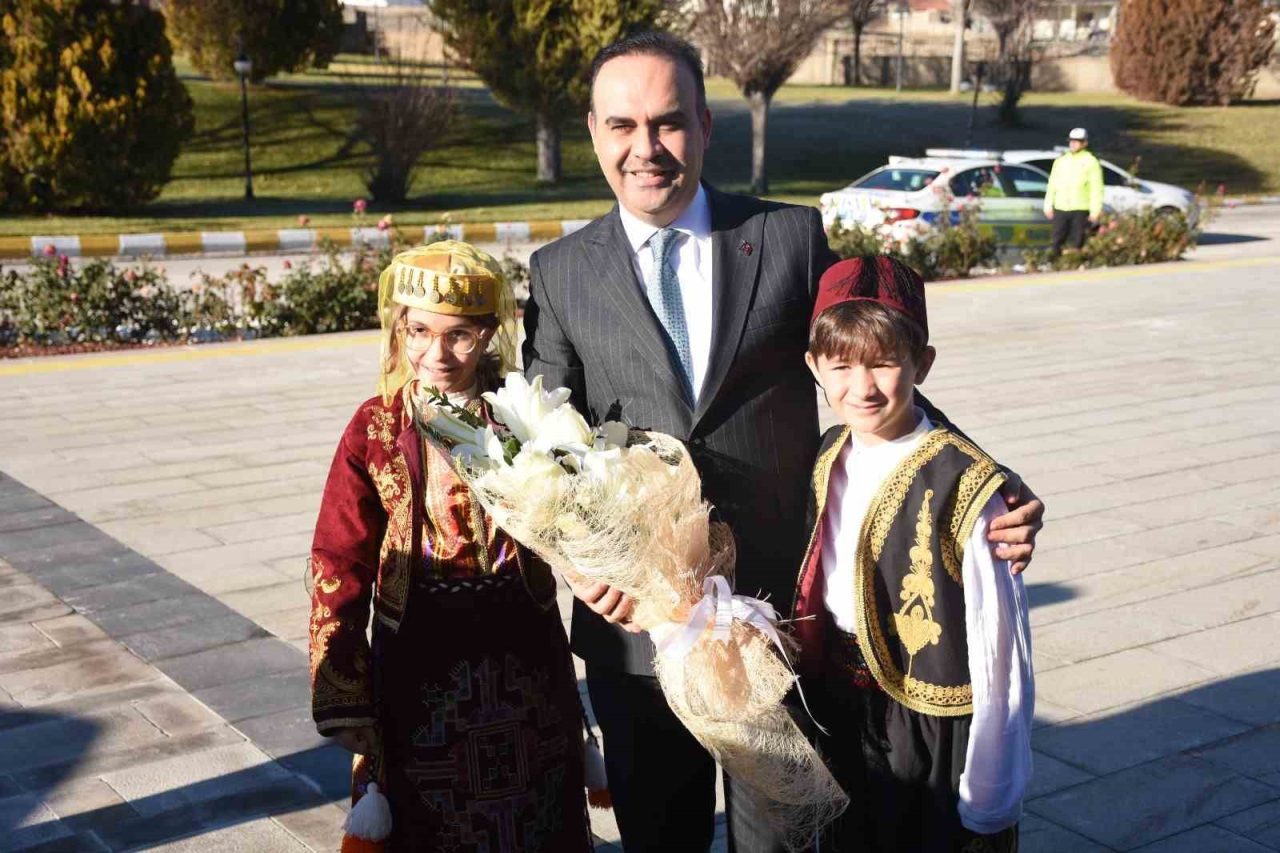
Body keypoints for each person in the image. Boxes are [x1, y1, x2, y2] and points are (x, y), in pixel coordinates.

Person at [521, 31, 1044, 853]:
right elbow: (545, 448)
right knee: (660, 840)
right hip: (639, 634)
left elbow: (873, 365)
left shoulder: (789, 238)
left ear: (705, 125)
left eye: (668, 122)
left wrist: (980, 484)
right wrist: (581, 568)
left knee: (784, 841)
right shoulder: (560, 273)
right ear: (594, 132)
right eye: (622, 125)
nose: (645, 147)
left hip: (780, 619)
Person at [308, 241, 591, 852]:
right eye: (418, 332)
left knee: (536, 811)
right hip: (419, 654)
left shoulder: (525, 416)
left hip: (523, 649)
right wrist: (341, 682)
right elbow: (340, 555)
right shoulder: (376, 426)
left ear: (489, 332)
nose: (436, 355)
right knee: (430, 818)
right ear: (398, 328)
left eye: (459, 335)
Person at [792, 256, 1033, 853]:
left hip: (927, 723)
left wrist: (990, 797)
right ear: (814, 367)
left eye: (884, 363)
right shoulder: (829, 451)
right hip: (840, 703)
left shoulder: (966, 485)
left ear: (922, 364)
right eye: (841, 366)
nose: (862, 388)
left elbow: (1001, 647)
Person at [1044, 127, 1104, 257]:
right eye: (1071, 141)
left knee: (1077, 243)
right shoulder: (1061, 161)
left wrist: (1095, 211)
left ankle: (1075, 264)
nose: (1073, 144)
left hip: (1080, 209)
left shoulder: (1091, 162)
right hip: (1061, 207)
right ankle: (1055, 264)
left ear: (1084, 143)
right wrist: (1048, 205)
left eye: (1077, 141)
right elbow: (1052, 185)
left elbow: (1096, 188)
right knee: (1056, 242)